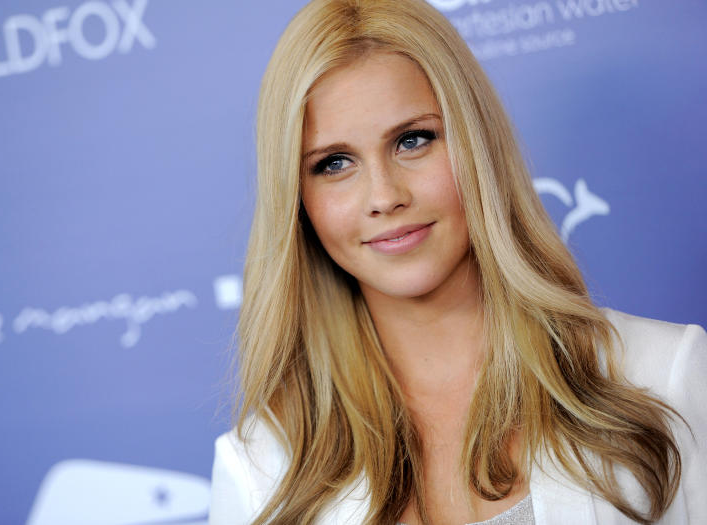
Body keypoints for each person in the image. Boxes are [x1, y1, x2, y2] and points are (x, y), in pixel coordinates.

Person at [208, 0, 706, 523]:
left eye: (412, 140)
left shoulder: (662, 377)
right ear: (297, 201)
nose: (384, 196)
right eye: (334, 163)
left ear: (476, 143)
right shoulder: (259, 469)